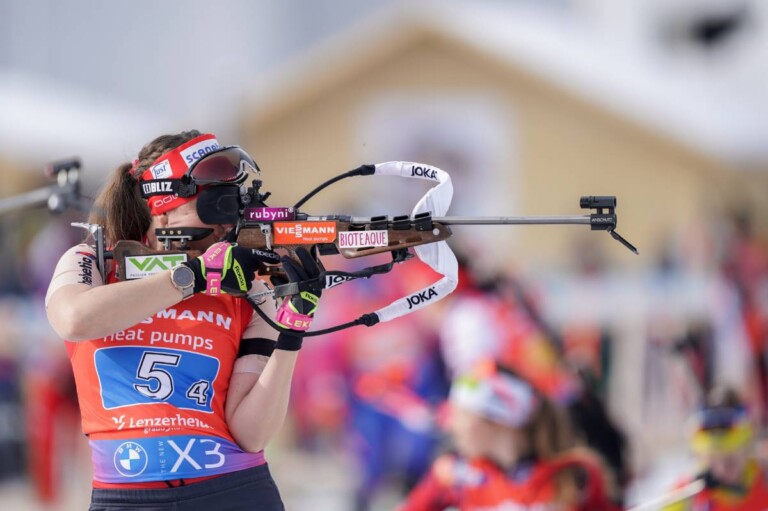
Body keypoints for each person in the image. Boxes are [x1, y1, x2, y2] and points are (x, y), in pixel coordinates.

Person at [45, 130, 321, 510]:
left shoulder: (246, 287)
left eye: (233, 202)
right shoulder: (92, 261)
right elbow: (74, 318)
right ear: (162, 207)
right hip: (126, 497)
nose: (226, 221)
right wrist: (194, 276)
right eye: (213, 203)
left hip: (233, 491)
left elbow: (252, 434)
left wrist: (292, 331)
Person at [398, 359, 619, 511]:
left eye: (461, 415)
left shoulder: (574, 473)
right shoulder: (454, 475)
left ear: (498, 419)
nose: (452, 426)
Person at [660, 387, 768, 510]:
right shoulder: (690, 493)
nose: (722, 468)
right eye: (713, 460)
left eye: (730, 461)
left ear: (746, 449)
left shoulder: (763, 478)